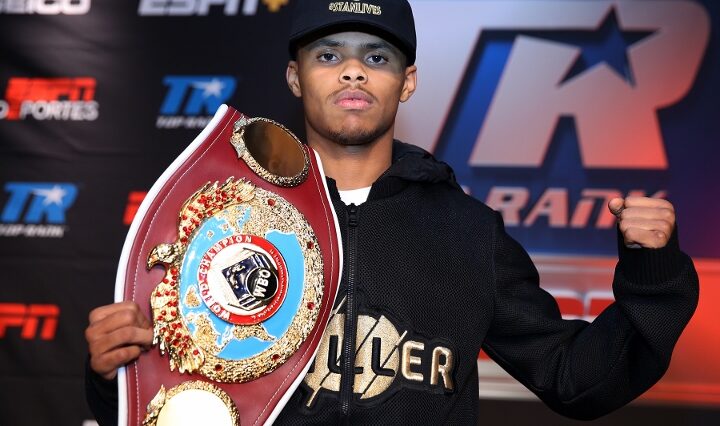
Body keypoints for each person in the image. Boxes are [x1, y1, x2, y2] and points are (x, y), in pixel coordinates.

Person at [85, 0, 699, 424]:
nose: (353, 69)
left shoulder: (467, 231)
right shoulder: (228, 215)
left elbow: (577, 380)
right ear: (295, 78)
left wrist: (653, 274)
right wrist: (114, 375)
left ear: (407, 82)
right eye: (329, 55)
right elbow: (177, 396)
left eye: (377, 57)